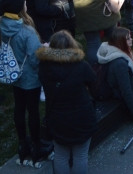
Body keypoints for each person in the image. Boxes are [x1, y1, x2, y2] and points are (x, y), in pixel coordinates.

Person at [0, 0, 47, 167]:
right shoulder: (27, 31)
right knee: (33, 111)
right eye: (24, 4)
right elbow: (34, 58)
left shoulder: (2, 26)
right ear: (19, 8)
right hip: (30, 78)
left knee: (19, 108)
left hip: (14, 75)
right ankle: (37, 145)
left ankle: (22, 143)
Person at [37, 30, 97, 174]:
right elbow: (94, 84)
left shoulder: (44, 67)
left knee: (60, 155)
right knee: (80, 155)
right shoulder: (81, 66)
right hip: (81, 117)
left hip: (56, 117)